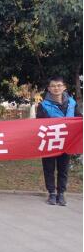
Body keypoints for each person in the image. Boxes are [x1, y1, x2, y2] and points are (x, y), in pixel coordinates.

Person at [36, 76, 81, 206]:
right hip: (49, 142)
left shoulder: (72, 103)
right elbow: (39, 124)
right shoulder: (43, 105)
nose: (56, 88)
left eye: (59, 85)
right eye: (53, 86)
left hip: (66, 142)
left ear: (64, 87)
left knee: (63, 169)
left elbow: (79, 119)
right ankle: (51, 193)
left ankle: (61, 194)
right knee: (49, 168)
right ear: (49, 89)